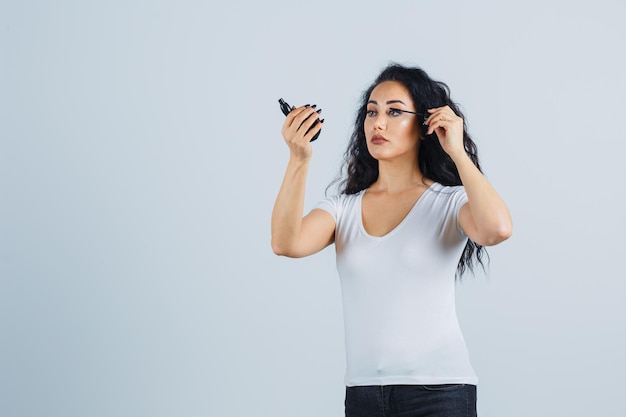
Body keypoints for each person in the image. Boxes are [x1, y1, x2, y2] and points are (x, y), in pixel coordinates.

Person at [271, 63, 512, 417]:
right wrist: (299, 158)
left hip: (440, 393)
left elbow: (497, 229)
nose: (378, 123)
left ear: (426, 125)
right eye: (372, 112)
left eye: (394, 112)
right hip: (363, 395)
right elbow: (286, 243)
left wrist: (457, 152)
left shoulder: (448, 202)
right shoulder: (343, 209)